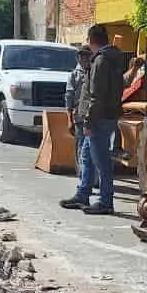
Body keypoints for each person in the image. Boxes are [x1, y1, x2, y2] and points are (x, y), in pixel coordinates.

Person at [59, 24, 124, 215]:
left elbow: (96, 95)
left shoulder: (101, 61)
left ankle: (105, 202)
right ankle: (83, 194)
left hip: (98, 119)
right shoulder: (111, 58)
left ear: (90, 40)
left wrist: (88, 121)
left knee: (101, 161)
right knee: (86, 156)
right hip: (104, 116)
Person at [63, 46, 94, 188]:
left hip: (94, 116)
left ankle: (89, 179)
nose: (85, 59)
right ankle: (83, 180)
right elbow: (69, 98)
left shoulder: (94, 72)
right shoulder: (74, 75)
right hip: (80, 117)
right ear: (79, 58)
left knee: (92, 148)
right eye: (82, 56)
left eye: (87, 56)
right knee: (82, 148)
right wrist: (69, 119)